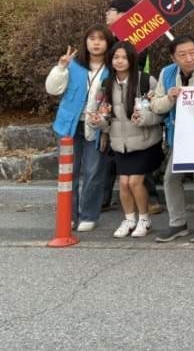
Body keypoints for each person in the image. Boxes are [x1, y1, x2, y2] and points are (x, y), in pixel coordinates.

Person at [45, 24, 116, 231]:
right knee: (69, 172)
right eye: (92, 38)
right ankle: (68, 214)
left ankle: (89, 215)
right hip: (69, 125)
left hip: (96, 126)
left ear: (108, 43)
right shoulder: (73, 65)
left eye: (101, 39)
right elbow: (53, 89)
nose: (96, 43)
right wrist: (61, 67)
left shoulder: (113, 68)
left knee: (94, 172)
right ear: (85, 42)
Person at [151, 35, 194, 243]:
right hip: (179, 136)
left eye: (193, 53)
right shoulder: (166, 73)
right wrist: (170, 98)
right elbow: (156, 106)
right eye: (182, 55)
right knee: (171, 178)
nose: (189, 58)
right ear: (173, 58)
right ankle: (177, 223)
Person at [99, 41, 161, 238]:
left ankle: (144, 219)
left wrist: (144, 118)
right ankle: (129, 219)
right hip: (120, 143)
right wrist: (99, 121)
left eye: (124, 57)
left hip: (145, 142)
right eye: (116, 57)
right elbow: (105, 116)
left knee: (134, 182)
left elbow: (160, 112)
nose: (119, 61)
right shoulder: (107, 84)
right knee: (124, 183)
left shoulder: (146, 81)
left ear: (132, 59)